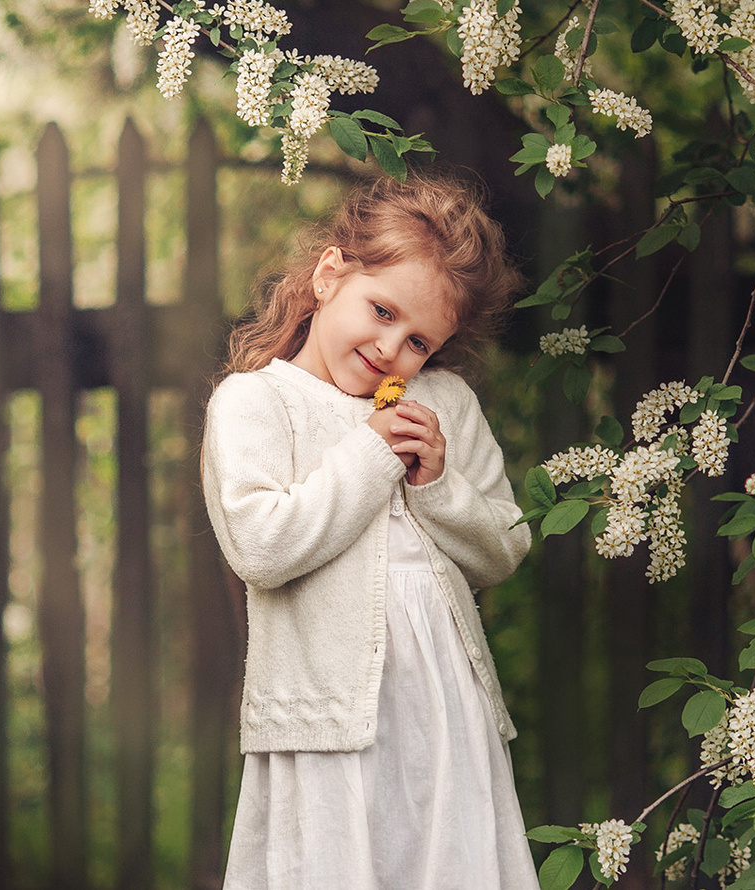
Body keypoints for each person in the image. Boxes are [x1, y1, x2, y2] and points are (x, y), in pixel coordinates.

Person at [200, 173, 538, 890]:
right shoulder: (256, 402)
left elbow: (503, 547)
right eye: (381, 311)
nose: (391, 349)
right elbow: (262, 547)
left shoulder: (443, 402)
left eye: (418, 340)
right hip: (325, 721)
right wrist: (371, 451)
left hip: (446, 714)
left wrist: (437, 484)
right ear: (328, 275)